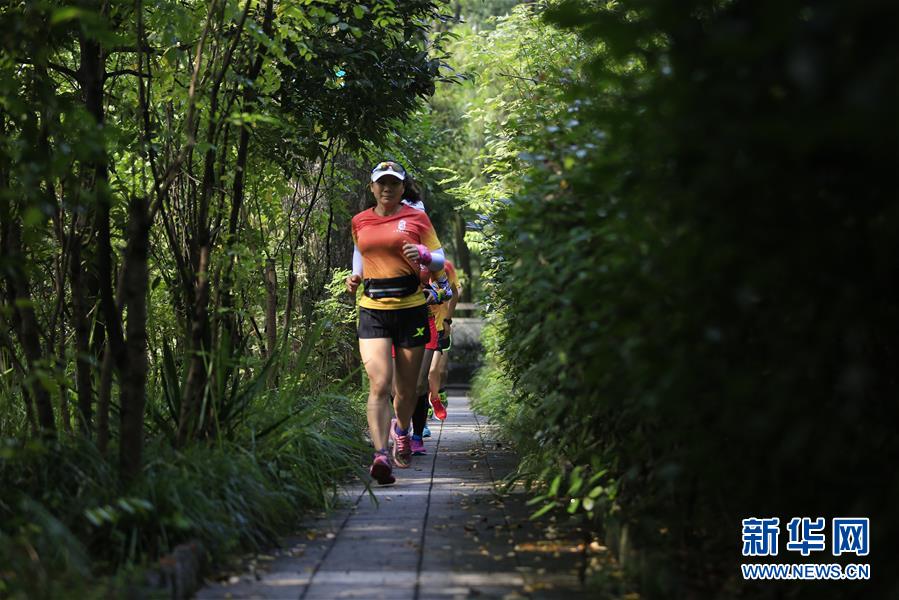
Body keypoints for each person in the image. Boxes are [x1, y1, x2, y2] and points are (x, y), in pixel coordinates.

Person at [346, 160, 446, 485]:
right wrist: (356, 275)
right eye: (381, 183)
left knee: (406, 389)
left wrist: (424, 255)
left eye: (393, 183)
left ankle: (401, 431)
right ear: (372, 187)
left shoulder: (417, 218)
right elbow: (360, 251)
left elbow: (440, 258)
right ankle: (380, 455)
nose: (387, 188)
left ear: (403, 187)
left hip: (411, 308)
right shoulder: (360, 221)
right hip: (373, 307)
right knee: (379, 384)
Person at [428, 259, 460, 420]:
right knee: (421, 374)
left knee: (437, 369)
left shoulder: (445, 267)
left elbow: (454, 293)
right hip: (418, 326)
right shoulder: (410, 266)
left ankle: (436, 396)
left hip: (440, 326)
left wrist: (448, 320)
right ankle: (425, 406)